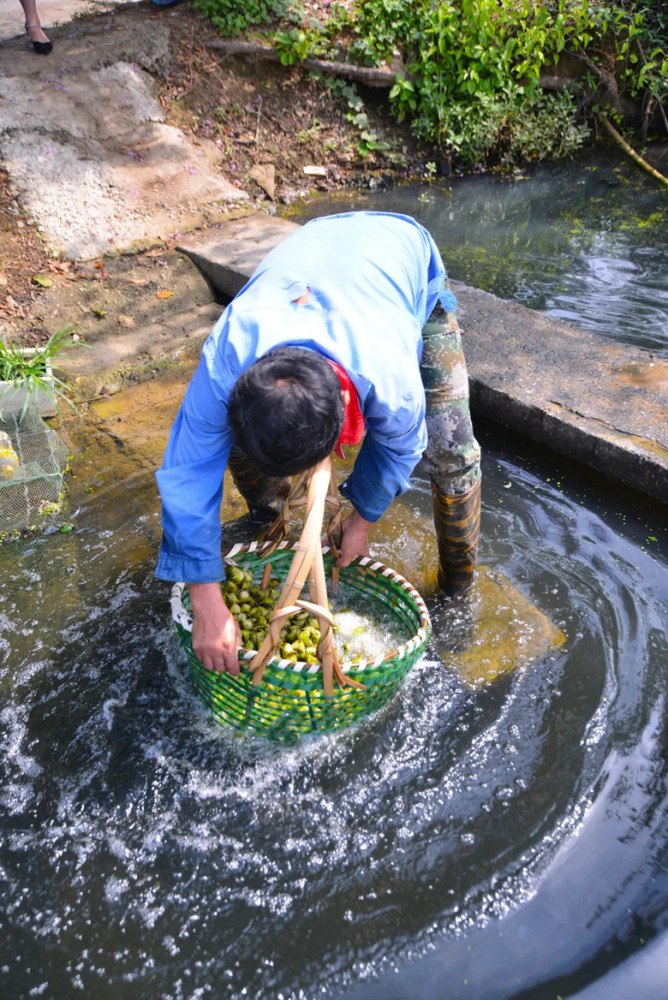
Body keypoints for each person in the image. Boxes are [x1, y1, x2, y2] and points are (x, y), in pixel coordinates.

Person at [156, 211, 481, 675]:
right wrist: (205, 598)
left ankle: (458, 591)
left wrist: (362, 520)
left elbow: (399, 449)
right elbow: (189, 469)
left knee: (452, 452)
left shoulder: (391, 378)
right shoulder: (229, 355)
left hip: (399, 253)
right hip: (313, 253)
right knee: (226, 441)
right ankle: (269, 519)